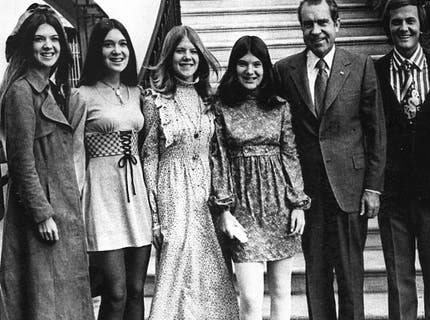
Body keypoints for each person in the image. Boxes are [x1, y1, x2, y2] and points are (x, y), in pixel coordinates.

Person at [273, 0, 386, 318]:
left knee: (351, 278)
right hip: (308, 192)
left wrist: (373, 187)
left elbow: (376, 131)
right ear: (301, 28)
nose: (316, 30)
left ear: (338, 24)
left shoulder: (361, 65)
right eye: (308, 24)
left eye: (322, 22)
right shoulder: (285, 71)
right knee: (316, 276)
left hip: (350, 190)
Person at [0, 5, 94, 319]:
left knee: (62, 298)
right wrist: (42, 215)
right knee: (41, 300)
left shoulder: (52, 91)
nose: (48, 45)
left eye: (54, 39)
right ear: (28, 46)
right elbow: (21, 161)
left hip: (63, 210)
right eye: (40, 39)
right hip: (40, 215)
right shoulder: (21, 91)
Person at [141, 25, 239, 319]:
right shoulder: (154, 101)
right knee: (178, 269)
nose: (187, 57)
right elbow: (149, 156)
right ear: (169, 56)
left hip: (206, 193)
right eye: (180, 51)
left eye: (193, 51)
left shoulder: (209, 99)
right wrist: (155, 218)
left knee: (210, 269)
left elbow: (218, 152)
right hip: (173, 192)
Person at [214, 35, 310, 320]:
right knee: (251, 298)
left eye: (257, 64)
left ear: (266, 68)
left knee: (281, 292)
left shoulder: (280, 106)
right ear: (234, 68)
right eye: (242, 64)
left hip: (279, 206)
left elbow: (290, 155)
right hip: (243, 209)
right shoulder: (222, 107)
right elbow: (218, 157)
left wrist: (297, 204)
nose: (250, 71)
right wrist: (224, 209)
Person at [372, 1, 430, 319]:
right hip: (392, 194)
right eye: (396, 22)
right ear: (388, 27)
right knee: (398, 280)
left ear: (421, 25)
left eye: (410, 21)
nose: (403, 28)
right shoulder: (375, 72)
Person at [68, 19, 152, 319]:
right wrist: (74, 205)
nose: (117, 50)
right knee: (115, 293)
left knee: (136, 289)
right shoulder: (83, 95)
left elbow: (147, 148)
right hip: (102, 199)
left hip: (136, 198)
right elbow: (76, 154)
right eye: (109, 44)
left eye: (122, 43)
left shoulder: (138, 93)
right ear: (97, 51)